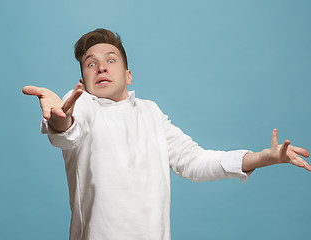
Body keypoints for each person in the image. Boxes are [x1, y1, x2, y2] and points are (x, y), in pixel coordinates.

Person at [22, 28, 310, 240]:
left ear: (128, 74)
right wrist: (60, 119)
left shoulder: (151, 113)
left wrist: (261, 158)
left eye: (110, 60)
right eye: (90, 63)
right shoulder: (82, 104)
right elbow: (66, 133)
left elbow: (195, 161)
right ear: (82, 80)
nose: (101, 67)